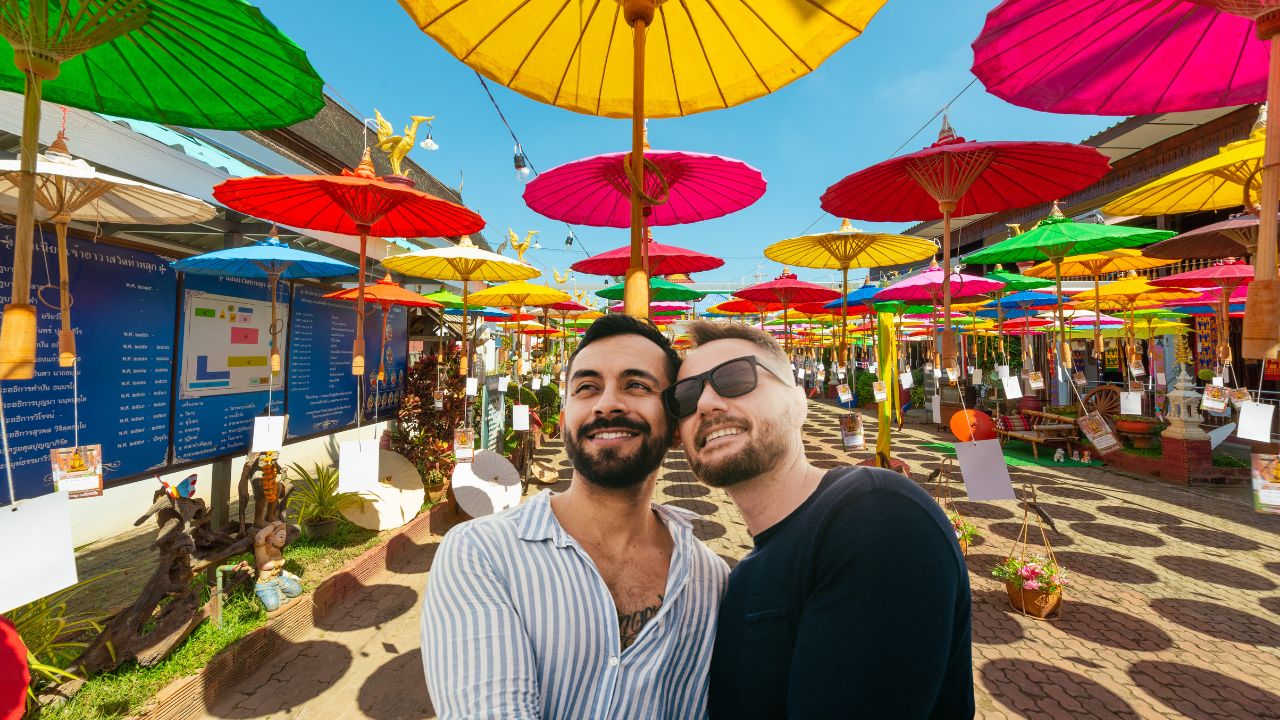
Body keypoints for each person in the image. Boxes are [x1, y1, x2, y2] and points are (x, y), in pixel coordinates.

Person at [421, 314, 729, 719]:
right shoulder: (482, 554)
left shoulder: (711, 580)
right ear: (565, 420)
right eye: (587, 388)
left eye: (636, 385)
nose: (607, 403)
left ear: (675, 425)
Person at [666, 320, 974, 719]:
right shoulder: (744, 574)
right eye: (685, 397)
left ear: (799, 403)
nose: (705, 403)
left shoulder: (875, 513)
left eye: (736, 378)